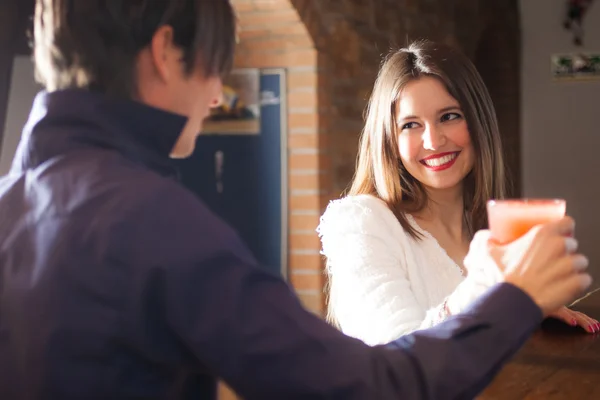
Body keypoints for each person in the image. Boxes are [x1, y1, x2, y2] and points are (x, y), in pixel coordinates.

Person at [0, 1, 592, 399]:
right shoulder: (155, 223)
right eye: (218, 64)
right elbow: (373, 387)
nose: (215, 96)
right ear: (164, 51)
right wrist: (509, 297)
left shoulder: (13, 200)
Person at [318, 40, 599, 346]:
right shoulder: (360, 222)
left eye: (449, 116)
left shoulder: (483, 226)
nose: (434, 141)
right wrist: (490, 293)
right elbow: (395, 359)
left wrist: (525, 310)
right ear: (389, 141)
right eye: (411, 124)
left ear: (478, 121)